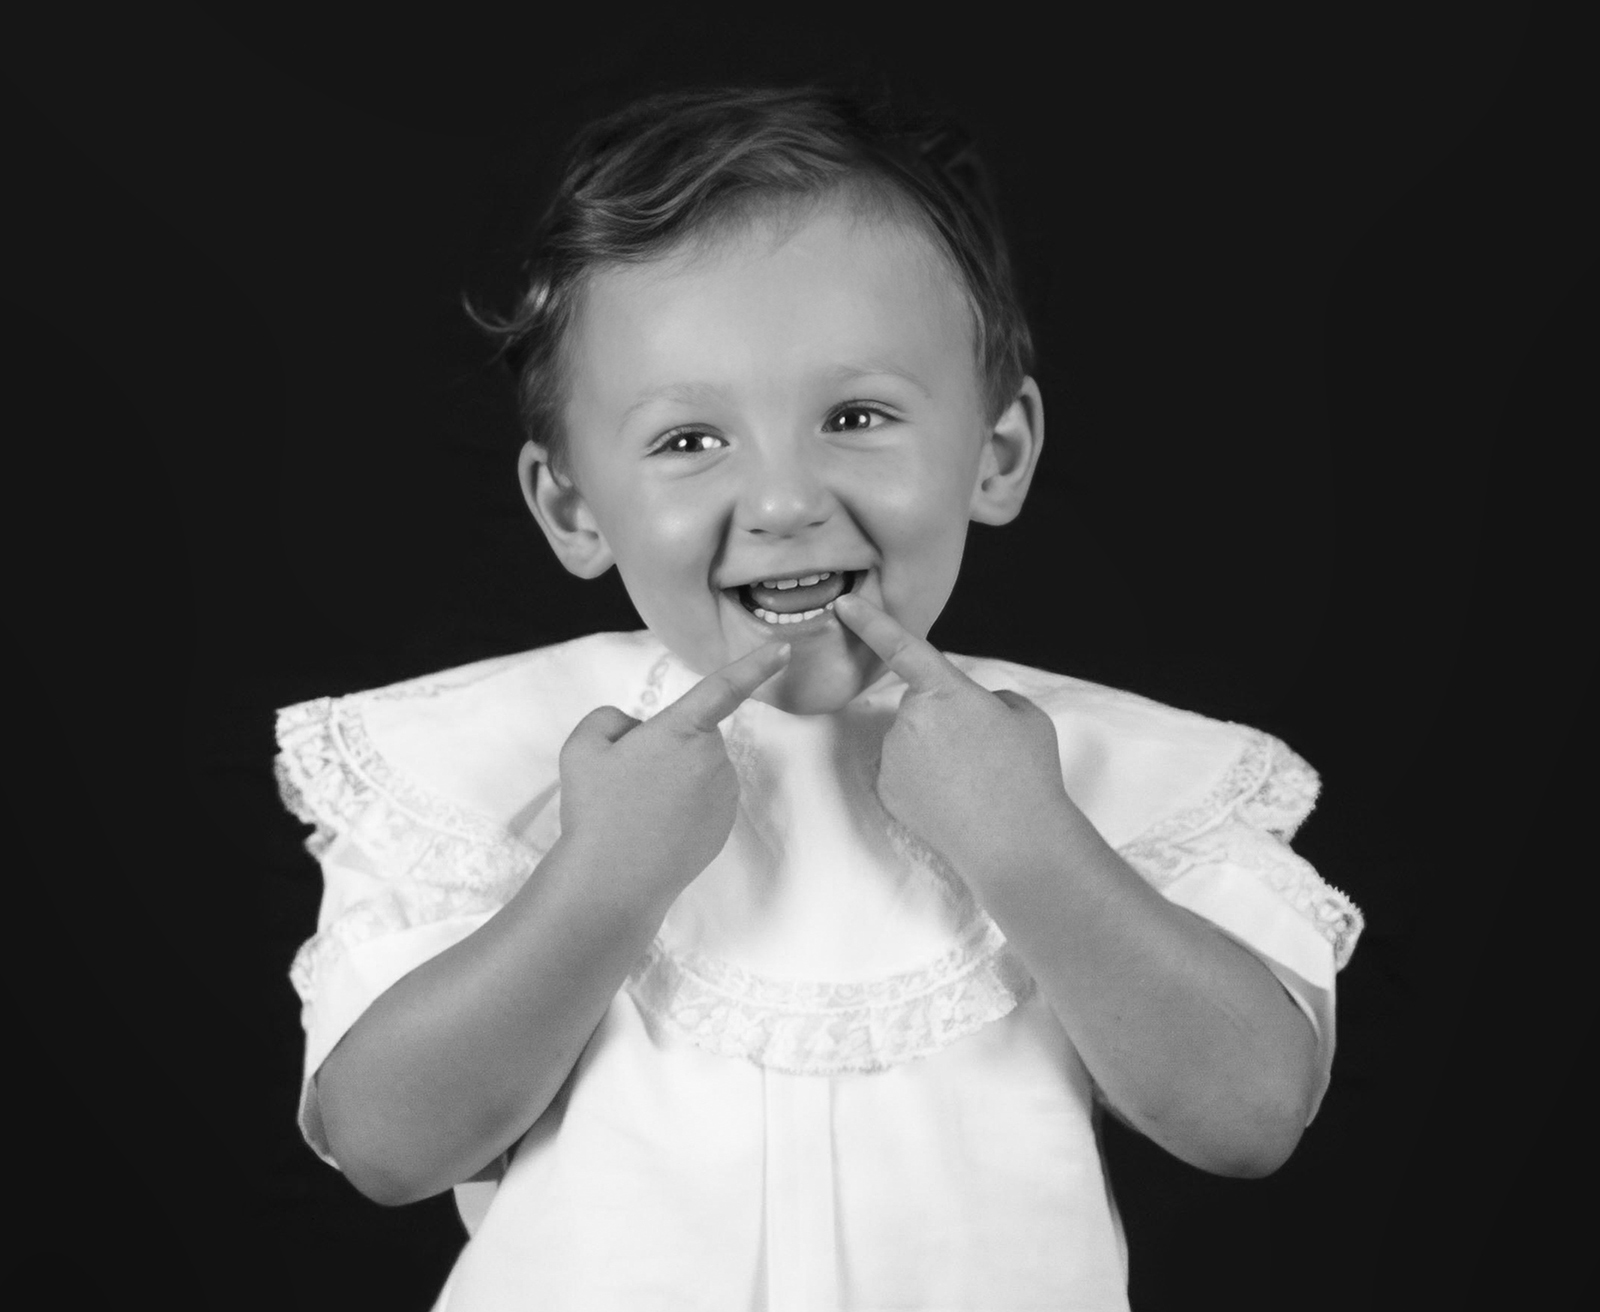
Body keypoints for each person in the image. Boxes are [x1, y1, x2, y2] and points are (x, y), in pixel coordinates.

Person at [274, 84, 1364, 1311]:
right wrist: (599, 881)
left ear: (995, 453)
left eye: (856, 416)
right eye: (689, 439)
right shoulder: (500, 758)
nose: (785, 497)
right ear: (573, 506)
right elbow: (386, 1143)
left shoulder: (1089, 765)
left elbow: (1251, 1114)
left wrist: (1033, 848)